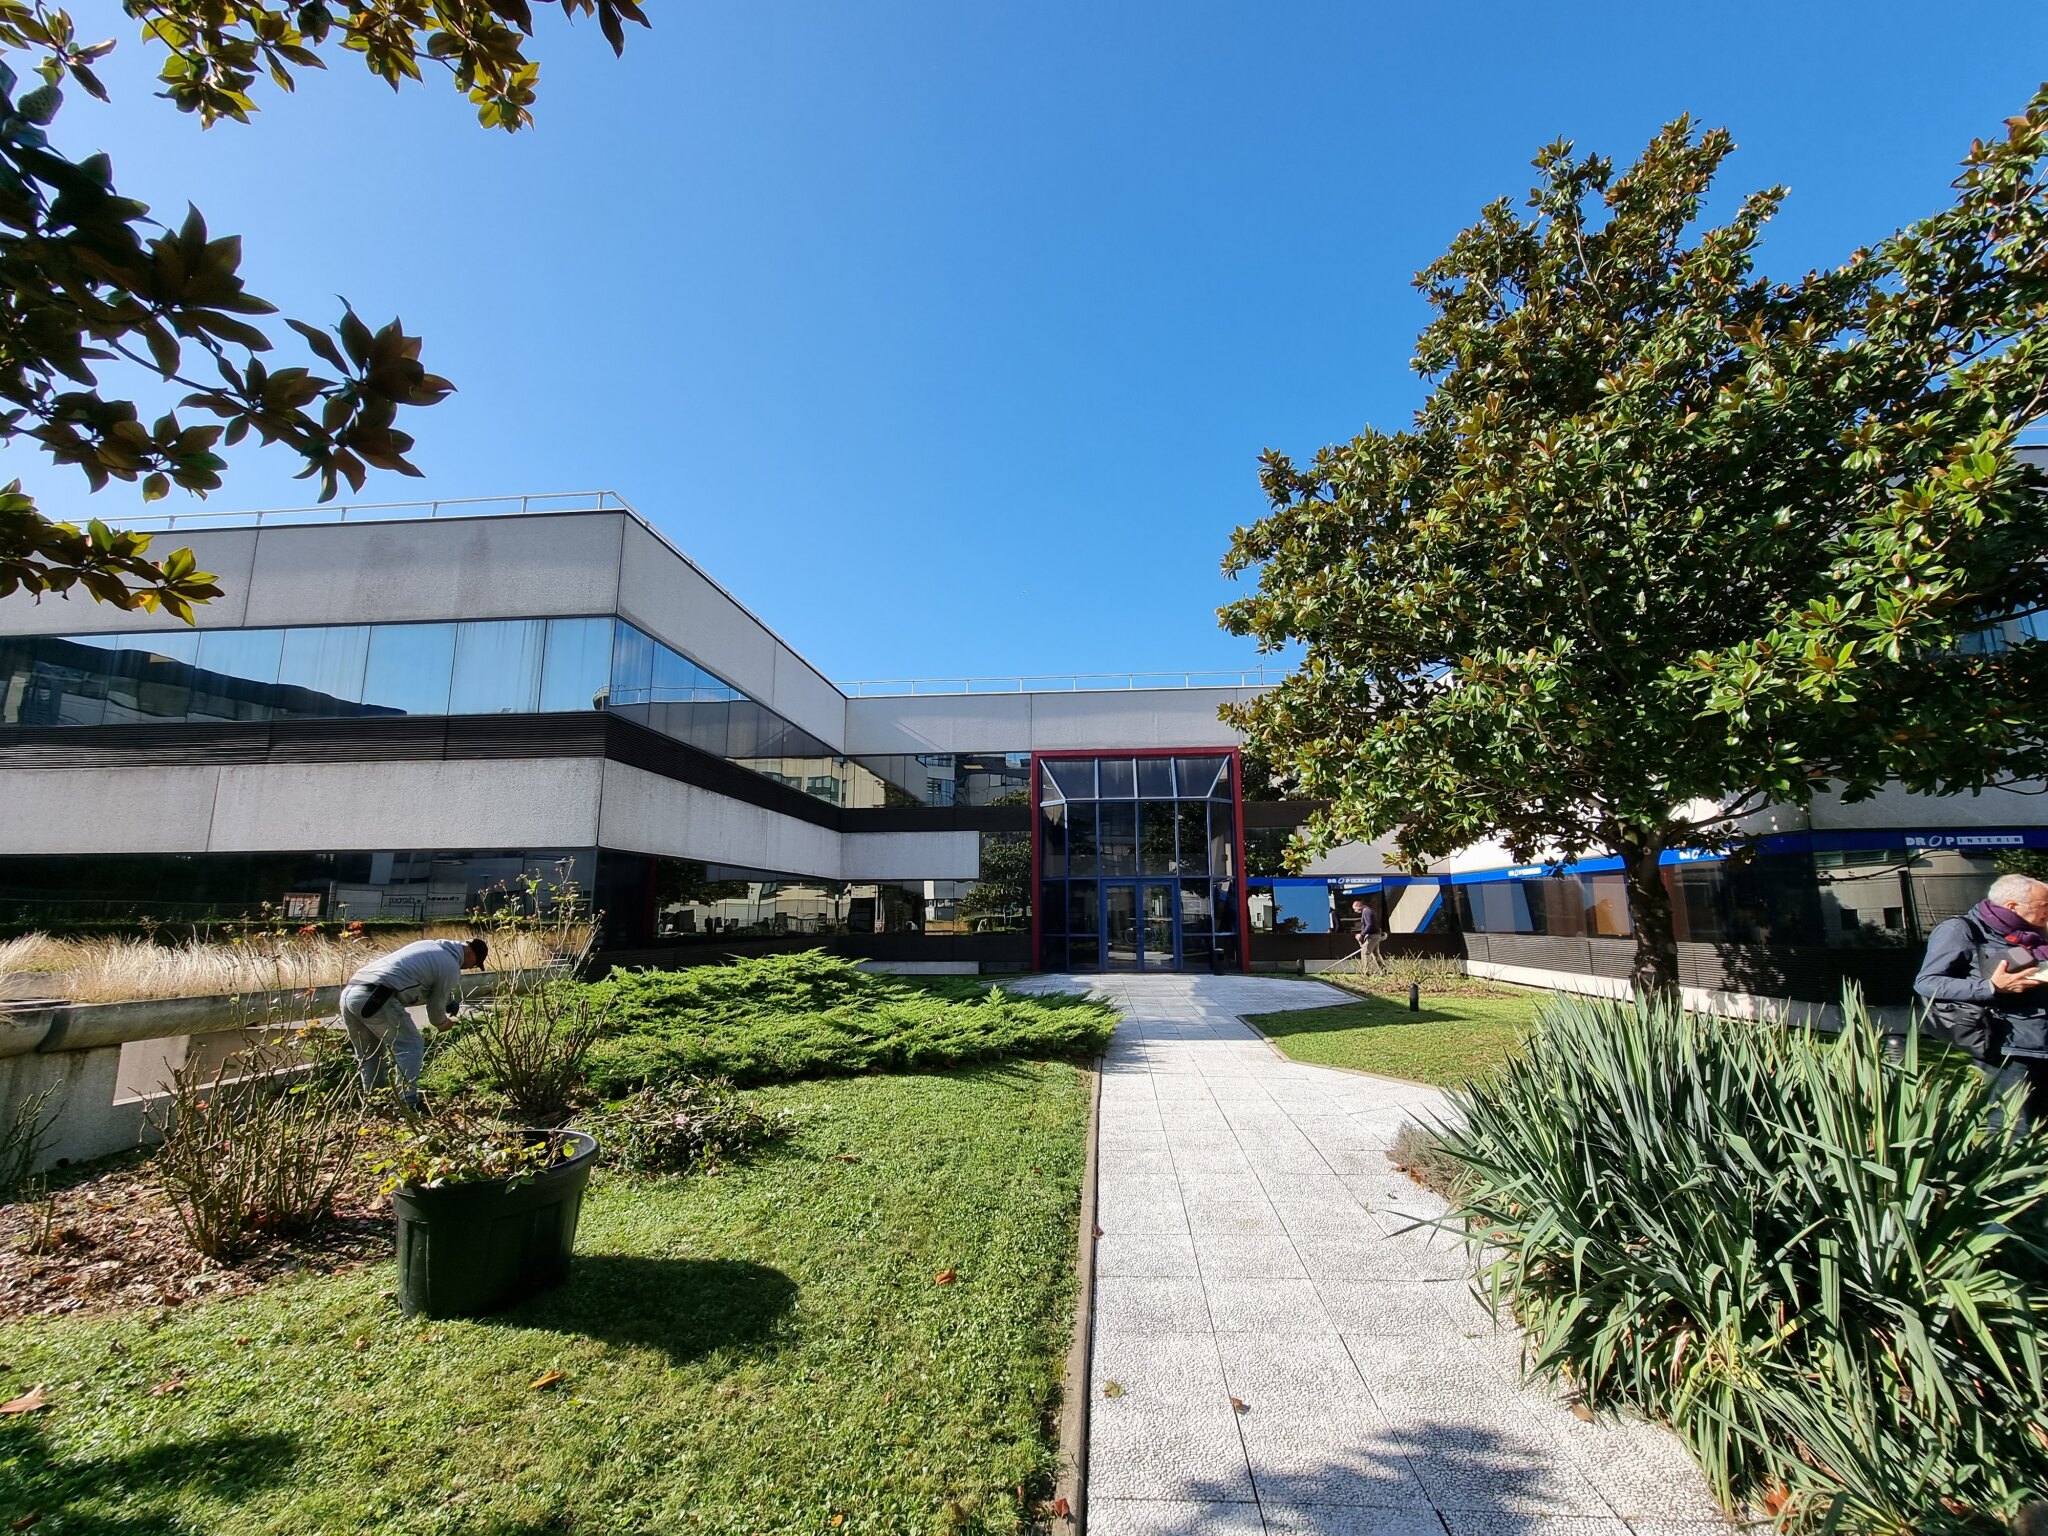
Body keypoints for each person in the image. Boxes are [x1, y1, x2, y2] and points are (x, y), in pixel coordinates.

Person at [1914, 873, 2048, 1133]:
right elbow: (1927, 982)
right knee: (2011, 1126)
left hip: (2042, 1040)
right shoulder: (1960, 930)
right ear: (2012, 906)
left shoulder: (2036, 934)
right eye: (2045, 905)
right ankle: (2010, 1174)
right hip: (2007, 1047)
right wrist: (1991, 987)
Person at [339, 935, 487, 1106]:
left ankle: (374, 1104)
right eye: (475, 965)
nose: (470, 968)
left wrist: (448, 1001)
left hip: (351, 994)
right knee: (410, 1045)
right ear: (471, 954)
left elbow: (415, 981)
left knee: (370, 1055)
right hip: (377, 998)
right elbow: (435, 1009)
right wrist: (443, 1023)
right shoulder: (451, 965)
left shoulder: (429, 946)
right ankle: (407, 1102)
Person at [1352, 896, 1386, 973]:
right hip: (1376, 934)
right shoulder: (1369, 910)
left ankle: (1366, 972)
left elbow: (1369, 925)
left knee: (1365, 952)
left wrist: (1362, 934)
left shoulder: (1366, 911)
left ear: (1358, 906)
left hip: (1373, 935)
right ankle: (1384, 971)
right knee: (1375, 953)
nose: (1355, 911)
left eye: (1355, 909)